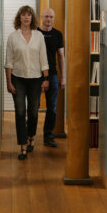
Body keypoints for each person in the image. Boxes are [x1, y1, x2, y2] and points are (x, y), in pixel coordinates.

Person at [5, 5, 49, 160]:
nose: (26, 17)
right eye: (23, 15)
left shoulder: (39, 36)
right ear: (19, 18)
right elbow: (8, 62)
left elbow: (43, 59)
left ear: (32, 18)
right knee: (20, 112)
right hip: (18, 78)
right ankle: (23, 146)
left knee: (33, 112)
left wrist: (46, 79)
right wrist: (9, 82)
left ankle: (31, 136)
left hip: (36, 79)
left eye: (29, 15)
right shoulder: (12, 37)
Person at [37, 8, 65, 148]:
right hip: (35, 74)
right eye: (46, 16)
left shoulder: (58, 34)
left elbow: (61, 56)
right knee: (33, 107)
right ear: (41, 17)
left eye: (51, 17)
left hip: (53, 74)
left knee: (52, 108)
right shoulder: (35, 33)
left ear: (54, 18)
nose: (49, 19)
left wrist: (63, 77)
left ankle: (48, 136)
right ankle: (30, 136)